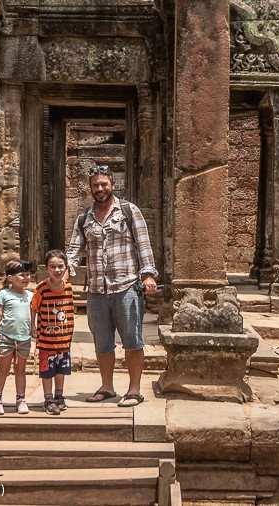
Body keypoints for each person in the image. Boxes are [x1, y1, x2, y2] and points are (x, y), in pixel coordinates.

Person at [66, 164, 159, 407]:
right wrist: (66, 270)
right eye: (95, 185)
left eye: (103, 184)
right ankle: (107, 387)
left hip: (126, 286)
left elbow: (143, 245)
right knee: (102, 342)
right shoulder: (84, 218)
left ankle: (134, 390)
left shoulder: (129, 211)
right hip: (97, 290)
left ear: (112, 185)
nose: (100, 189)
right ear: (90, 188)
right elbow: (74, 249)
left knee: (132, 340)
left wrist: (148, 275)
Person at [30, 250, 75, 415]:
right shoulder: (41, 288)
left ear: (66, 267)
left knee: (61, 370)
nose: (57, 270)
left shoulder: (69, 288)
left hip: (63, 339)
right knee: (47, 371)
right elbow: (34, 307)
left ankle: (59, 396)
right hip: (46, 340)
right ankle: (48, 399)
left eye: (60, 266)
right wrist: (32, 327)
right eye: (53, 267)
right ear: (47, 269)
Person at [0, 260, 34, 415]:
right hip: (6, 337)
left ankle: (21, 399)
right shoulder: (4, 294)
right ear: (10, 278)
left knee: (21, 369)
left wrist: (34, 330)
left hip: (24, 338)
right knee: (3, 369)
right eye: (22, 275)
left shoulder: (31, 296)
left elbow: (33, 316)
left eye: (28, 275)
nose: (26, 278)